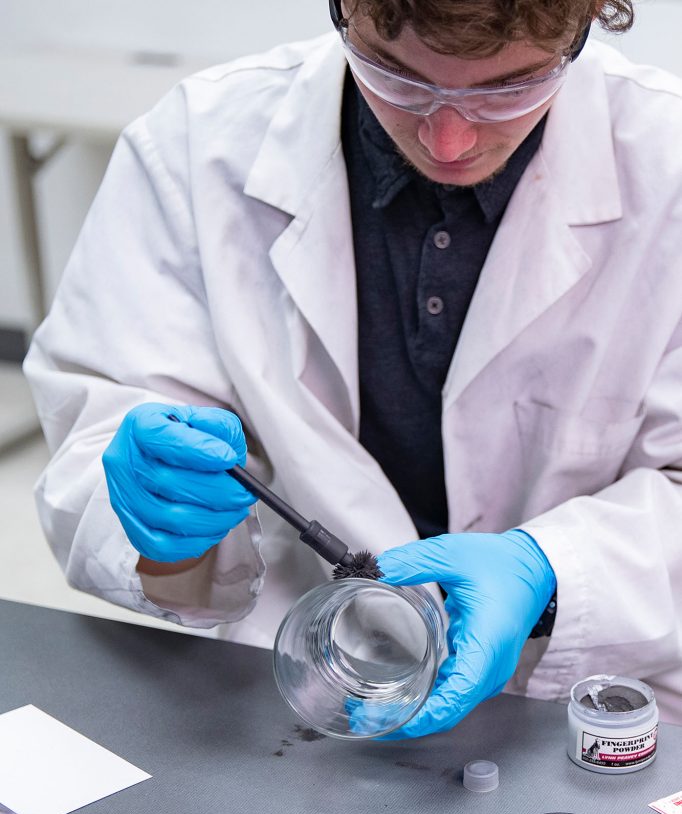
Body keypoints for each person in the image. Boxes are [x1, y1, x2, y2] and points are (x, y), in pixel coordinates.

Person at [23, 0, 682, 735]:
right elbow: (105, 415)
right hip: (299, 683)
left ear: (584, 27)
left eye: (508, 88)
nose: (450, 138)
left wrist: (552, 572)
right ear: (341, 12)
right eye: (395, 76)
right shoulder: (194, 145)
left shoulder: (668, 164)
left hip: (601, 702)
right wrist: (159, 520)